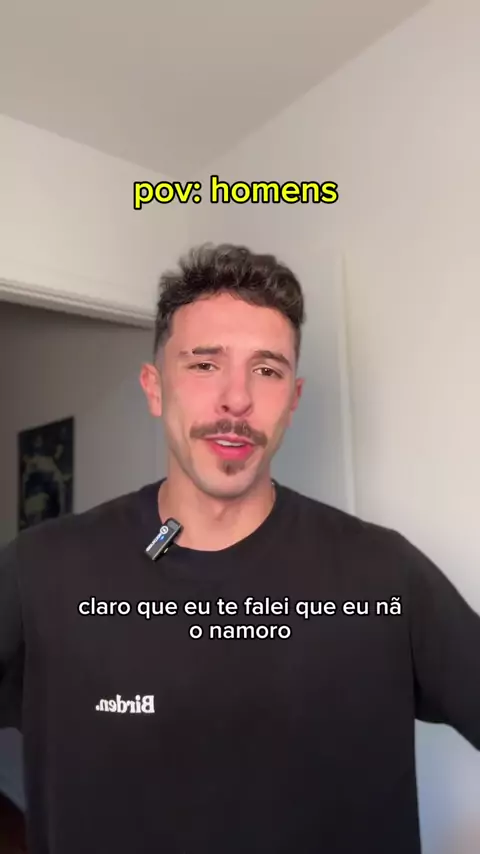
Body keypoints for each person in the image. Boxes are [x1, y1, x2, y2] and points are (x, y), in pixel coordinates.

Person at [0, 242, 479, 854]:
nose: (236, 399)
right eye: (204, 364)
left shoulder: (385, 573)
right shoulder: (40, 570)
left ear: (293, 400)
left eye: (267, 370)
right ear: (155, 388)